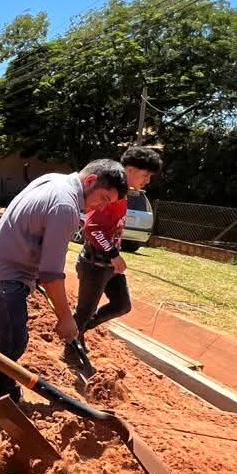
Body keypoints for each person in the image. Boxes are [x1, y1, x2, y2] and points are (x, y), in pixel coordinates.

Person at [0, 159, 128, 402]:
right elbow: (51, 274)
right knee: (13, 341)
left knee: (10, 338)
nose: (101, 207)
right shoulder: (65, 206)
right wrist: (66, 319)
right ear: (90, 181)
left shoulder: (55, 179)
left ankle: (1, 387)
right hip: (4, 275)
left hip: (4, 268)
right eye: (104, 198)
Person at [69, 146, 163, 363]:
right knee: (85, 310)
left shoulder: (124, 195)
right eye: (145, 175)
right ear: (129, 170)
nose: (147, 181)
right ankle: (73, 344)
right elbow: (92, 228)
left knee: (122, 305)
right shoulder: (112, 195)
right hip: (95, 263)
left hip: (109, 264)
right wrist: (113, 253)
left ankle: (80, 330)